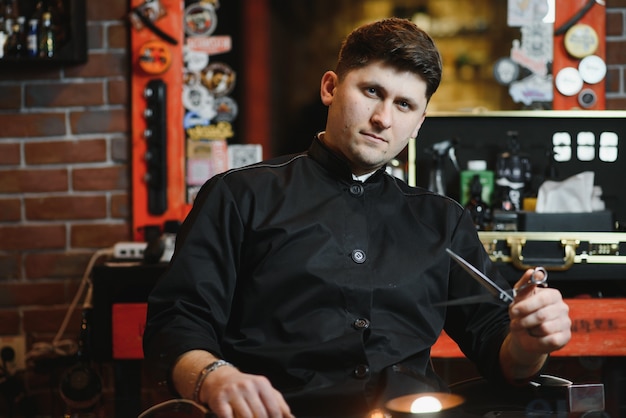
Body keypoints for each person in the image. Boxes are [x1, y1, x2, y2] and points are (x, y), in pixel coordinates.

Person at [143, 17, 571, 418]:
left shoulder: (443, 221)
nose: (384, 118)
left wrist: (529, 342)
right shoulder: (240, 195)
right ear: (330, 87)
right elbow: (176, 323)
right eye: (371, 92)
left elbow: (501, 348)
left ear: (419, 123)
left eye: (404, 105)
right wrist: (213, 377)